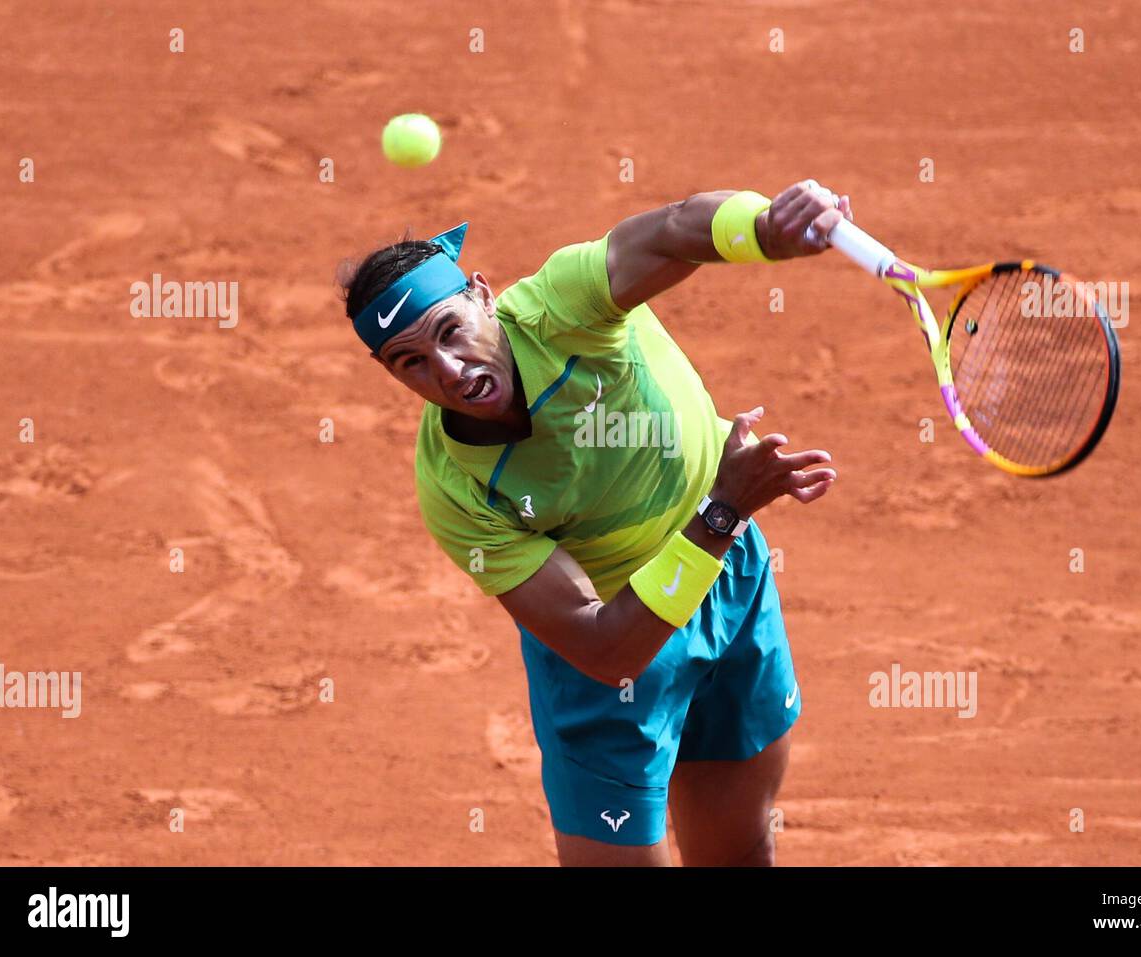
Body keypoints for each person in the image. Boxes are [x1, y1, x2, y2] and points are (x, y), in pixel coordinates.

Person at [341, 180, 848, 865]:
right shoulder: (455, 488)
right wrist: (723, 512)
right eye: (412, 363)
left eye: (450, 332)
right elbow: (607, 651)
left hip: (727, 585)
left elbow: (675, 228)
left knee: (739, 849)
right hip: (614, 653)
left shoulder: (562, 306)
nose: (451, 371)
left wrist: (766, 229)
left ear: (485, 294)